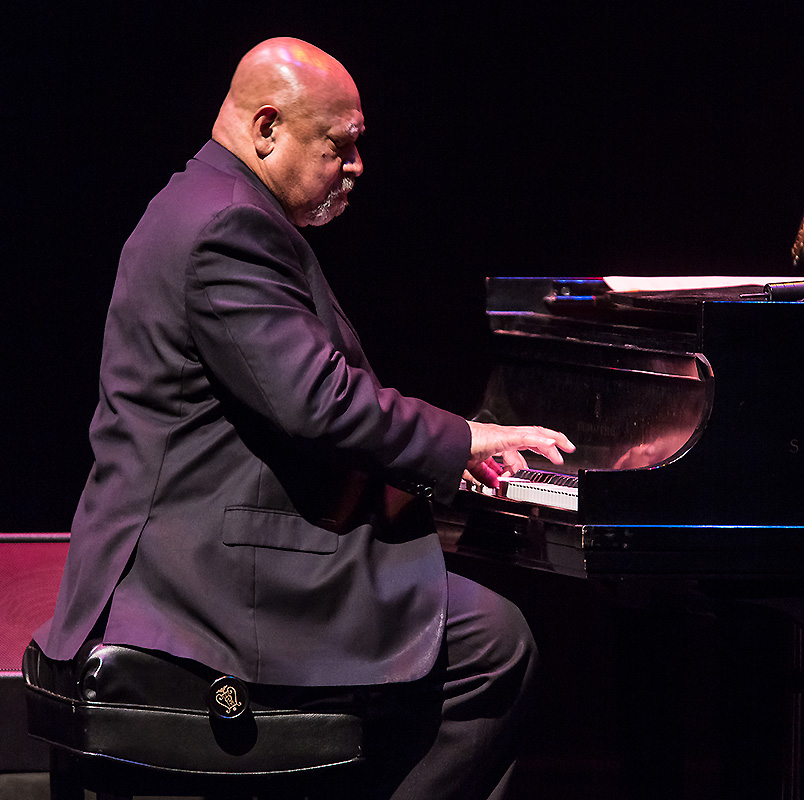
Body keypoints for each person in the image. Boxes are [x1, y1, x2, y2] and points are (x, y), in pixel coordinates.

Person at [35, 37, 574, 799]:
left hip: (194, 548)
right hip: (202, 577)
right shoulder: (229, 226)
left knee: (450, 623)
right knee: (492, 644)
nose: (356, 167)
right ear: (267, 127)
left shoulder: (203, 202)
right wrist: (463, 441)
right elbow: (317, 402)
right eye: (340, 146)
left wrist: (418, 471)